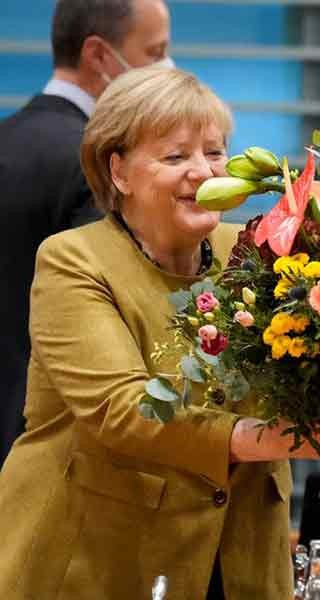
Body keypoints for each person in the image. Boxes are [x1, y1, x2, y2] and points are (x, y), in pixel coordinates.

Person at [0, 67, 320, 599]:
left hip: (243, 561)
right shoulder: (74, 261)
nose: (202, 171)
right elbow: (124, 412)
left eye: (215, 153)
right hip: (101, 564)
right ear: (119, 171)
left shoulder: (259, 252)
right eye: (176, 157)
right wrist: (283, 439)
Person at [0, 0, 173, 466]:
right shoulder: (97, 164)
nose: (166, 69)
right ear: (98, 55)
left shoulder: (9, 137)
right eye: (155, 53)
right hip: (52, 444)